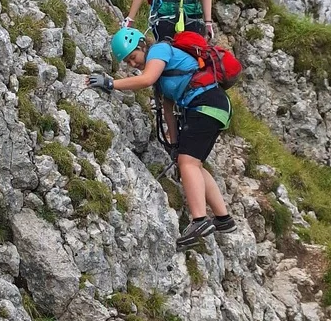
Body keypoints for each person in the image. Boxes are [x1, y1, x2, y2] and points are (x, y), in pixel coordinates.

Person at [87, 28, 236, 249]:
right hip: (210, 107)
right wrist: (175, 144)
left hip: (206, 105)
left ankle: (199, 220)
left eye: (133, 57)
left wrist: (110, 84)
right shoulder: (162, 71)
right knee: (192, 163)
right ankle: (223, 219)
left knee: (188, 163)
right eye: (127, 62)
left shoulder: (159, 50)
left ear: (141, 45)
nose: (132, 64)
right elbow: (167, 109)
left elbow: (146, 79)